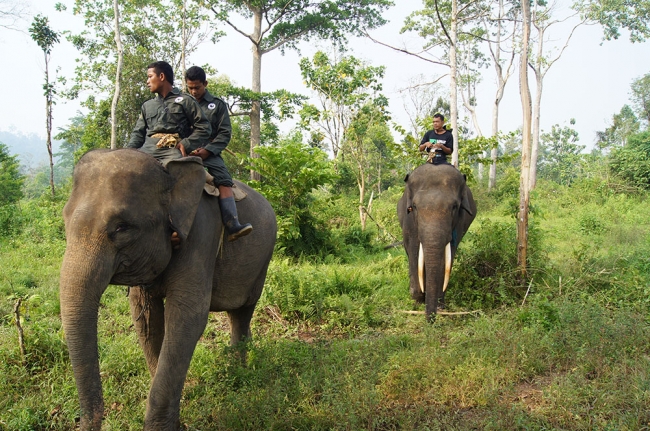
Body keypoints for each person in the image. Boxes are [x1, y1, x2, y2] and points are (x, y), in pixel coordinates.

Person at [184, 65, 252, 242]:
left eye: (197, 87)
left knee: (223, 179)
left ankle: (232, 224)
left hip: (209, 152)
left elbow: (224, 133)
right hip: (183, 150)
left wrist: (207, 151)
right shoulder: (181, 102)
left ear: (205, 84)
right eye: (190, 87)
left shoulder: (217, 105)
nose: (193, 91)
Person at [127, 61, 211, 165]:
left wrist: (186, 144)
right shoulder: (147, 105)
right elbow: (138, 134)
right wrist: (127, 153)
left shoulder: (186, 100)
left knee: (182, 172)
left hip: (173, 150)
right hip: (147, 150)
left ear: (161, 76)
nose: (147, 81)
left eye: (150, 76)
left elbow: (204, 127)